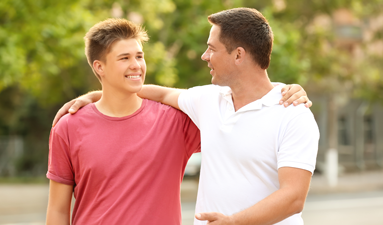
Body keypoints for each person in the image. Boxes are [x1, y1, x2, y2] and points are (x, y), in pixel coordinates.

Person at [51, 9, 316, 225]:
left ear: (238, 55)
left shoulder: (292, 114)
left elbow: (293, 198)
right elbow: (162, 93)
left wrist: (233, 223)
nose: (204, 56)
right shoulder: (209, 101)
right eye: (125, 57)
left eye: (212, 49)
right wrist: (96, 95)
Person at [46, 19, 202, 225]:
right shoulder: (68, 127)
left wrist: (95, 95)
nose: (136, 65)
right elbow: (57, 211)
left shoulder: (176, 121)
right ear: (99, 67)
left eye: (139, 56)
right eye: (124, 58)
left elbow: (220, 105)